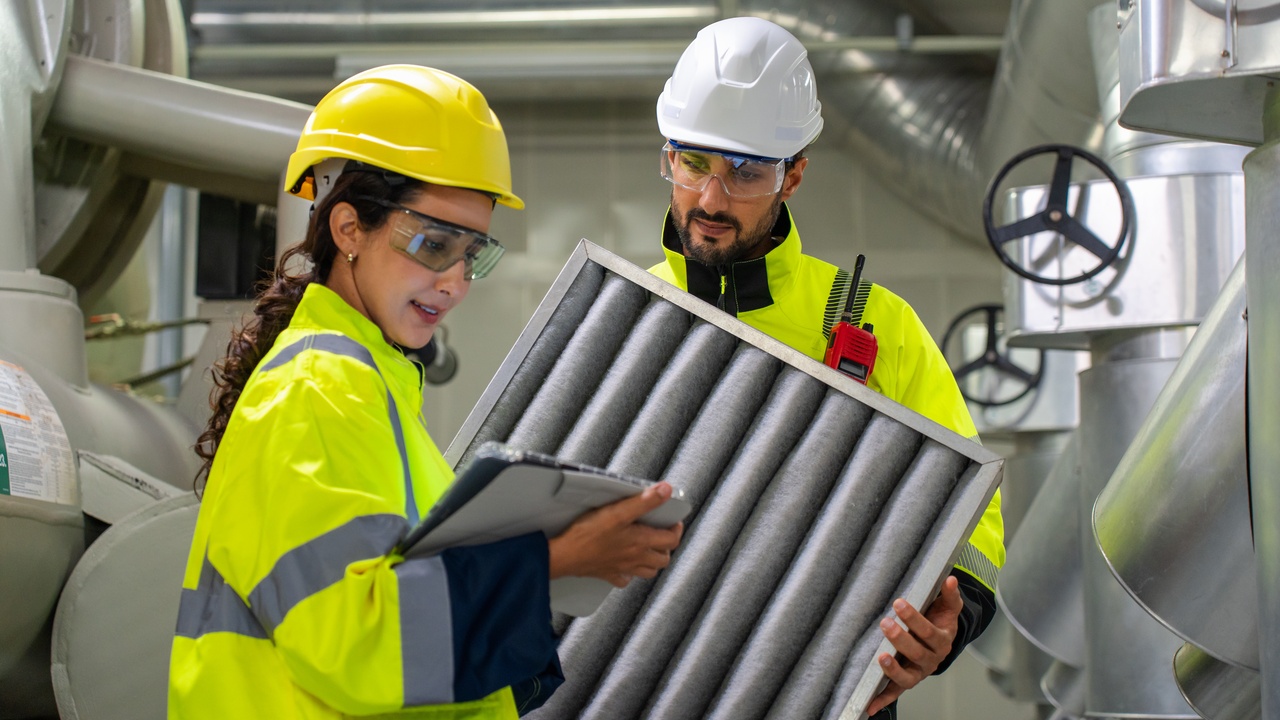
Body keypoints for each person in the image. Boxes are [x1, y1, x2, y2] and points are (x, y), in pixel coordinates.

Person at [169, 65, 683, 720]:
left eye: (473, 253)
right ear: (348, 228)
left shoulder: (369, 392)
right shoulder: (316, 391)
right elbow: (355, 644)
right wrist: (550, 562)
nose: (456, 282)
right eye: (434, 243)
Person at [649, 17, 1005, 719]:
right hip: (651, 685)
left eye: (746, 172)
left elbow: (973, 514)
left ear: (795, 174)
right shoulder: (619, 316)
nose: (712, 199)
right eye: (692, 163)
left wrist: (950, 624)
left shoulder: (875, 325)